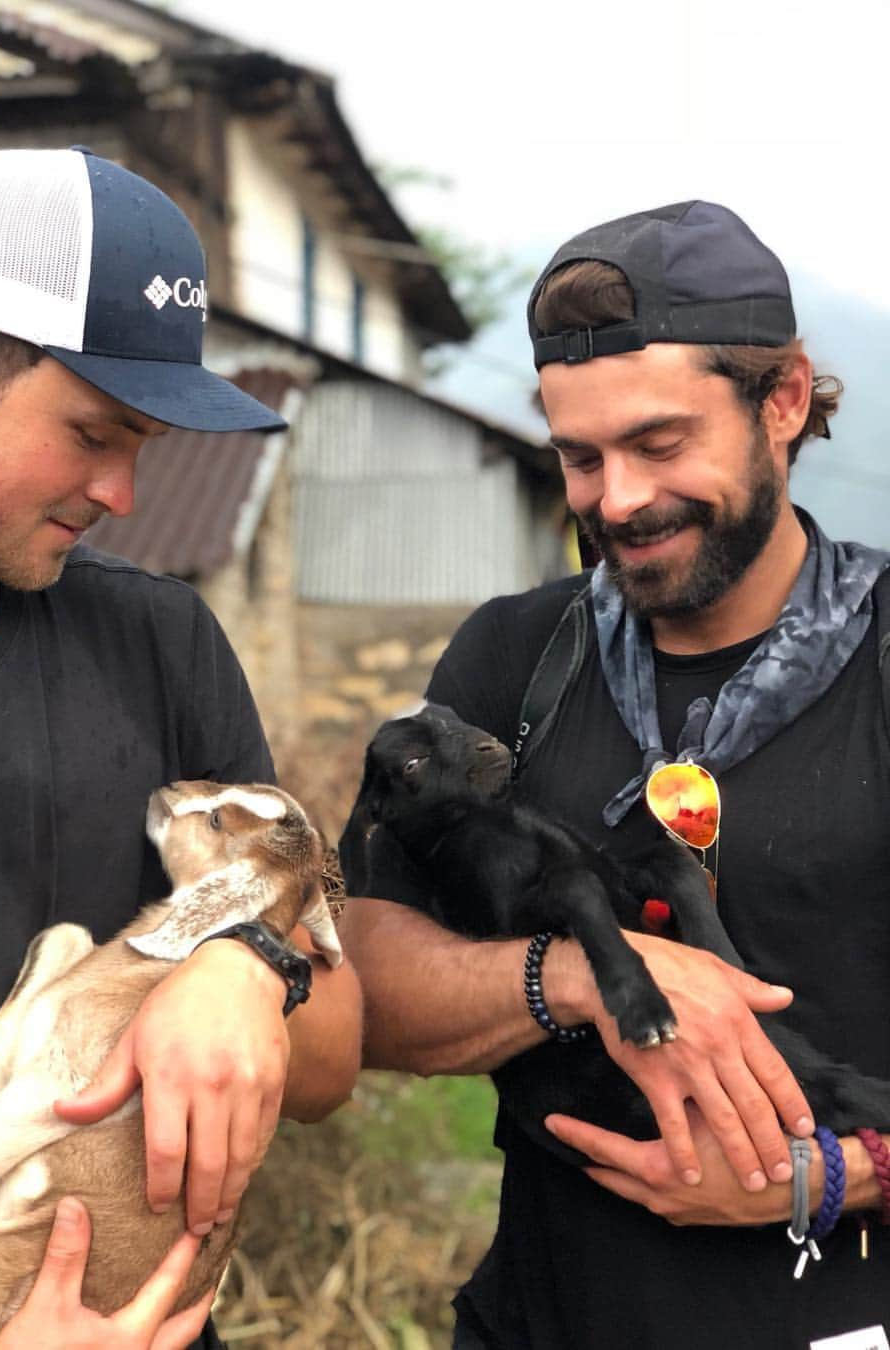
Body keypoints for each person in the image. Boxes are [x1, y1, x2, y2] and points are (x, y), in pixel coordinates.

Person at [0, 146, 361, 1348]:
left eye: (144, 446)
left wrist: (246, 965)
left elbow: (328, 1064)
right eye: (91, 433)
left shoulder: (156, 641)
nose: (121, 492)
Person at [339, 201, 890, 1349]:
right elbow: (366, 983)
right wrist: (582, 974)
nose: (617, 499)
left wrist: (842, 1179)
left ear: (783, 401)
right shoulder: (512, 658)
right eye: (579, 457)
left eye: (659, 443)